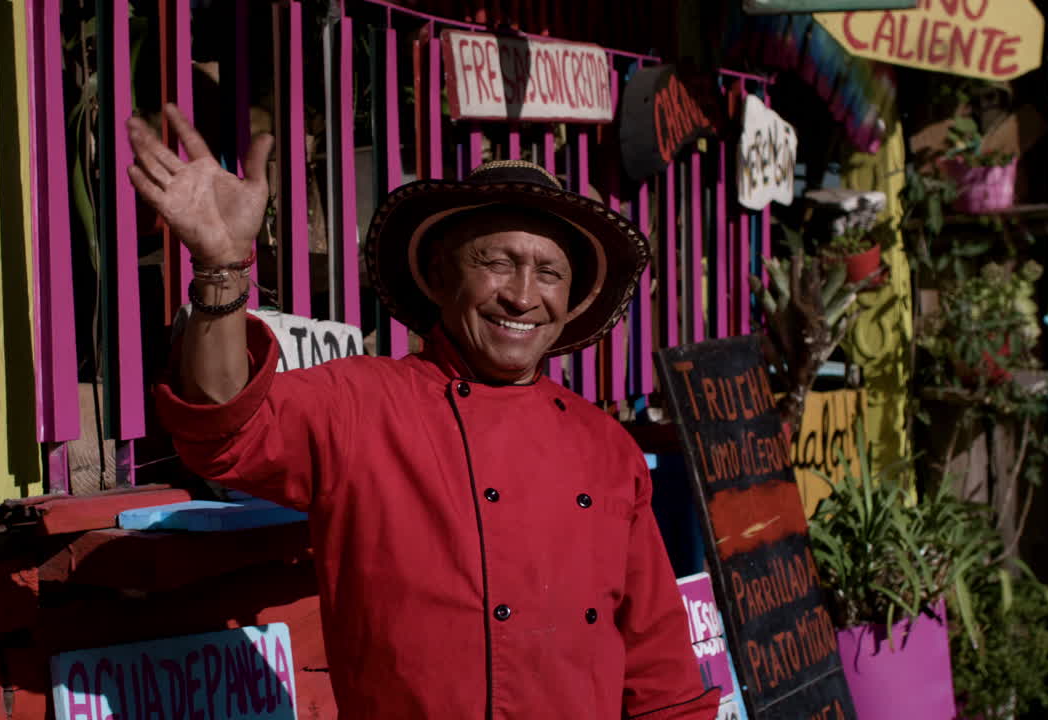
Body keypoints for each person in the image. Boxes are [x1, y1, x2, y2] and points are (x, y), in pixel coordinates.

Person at [129, 103, 719, 720]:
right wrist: (222, 270)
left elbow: (664, 681)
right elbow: (224, 427)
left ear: (569, 301)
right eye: (496, 263)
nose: (522, 295)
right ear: (439, 277)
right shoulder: (361, 404)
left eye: (549, 273)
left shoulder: (606, 447)